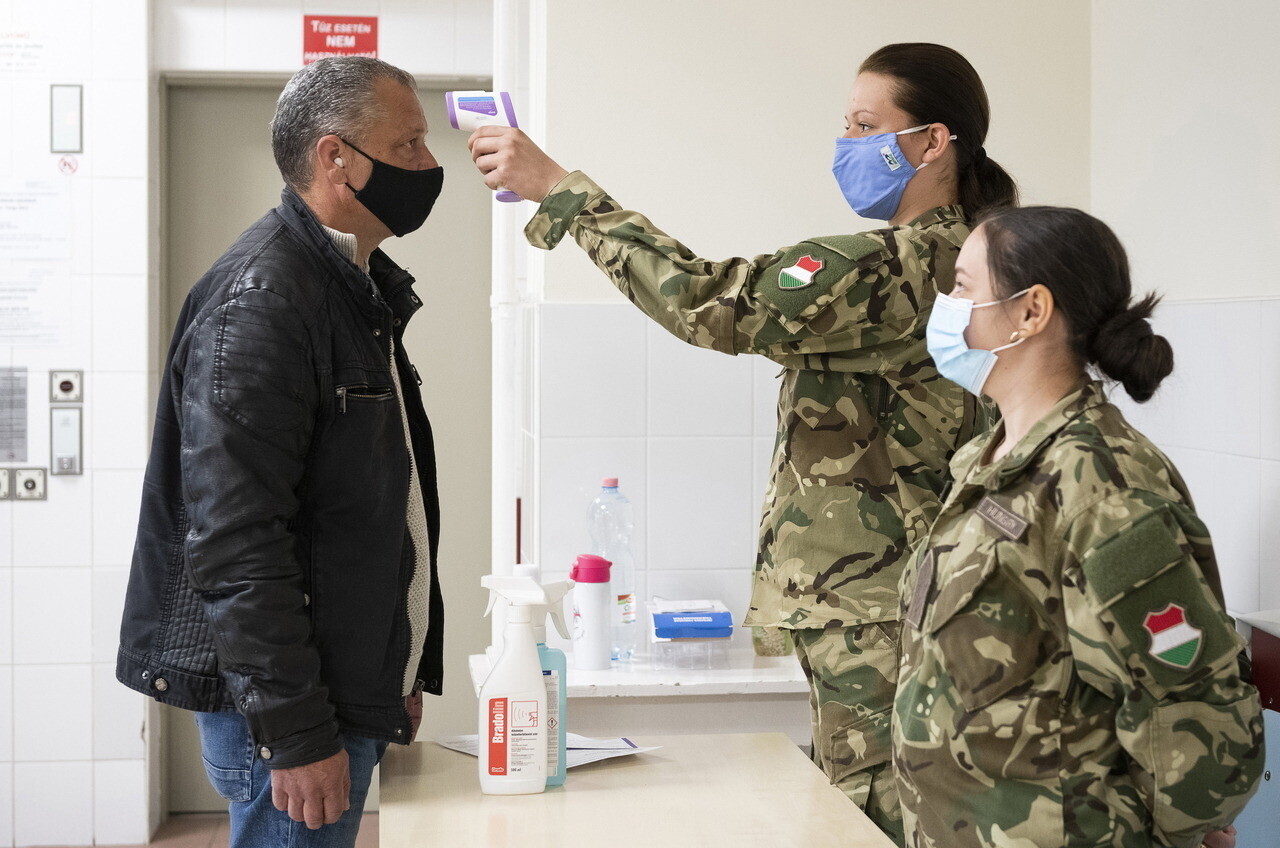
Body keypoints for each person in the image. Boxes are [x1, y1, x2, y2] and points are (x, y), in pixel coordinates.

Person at [468, 43, 1017, 842]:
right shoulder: (970, 258)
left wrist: (559, 190)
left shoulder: (899, 268)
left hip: (873, 608)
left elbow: (704, 301)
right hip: (899, 597)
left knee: (876, 817)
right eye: (845, 125)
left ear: (934, 142)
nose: (847, 144)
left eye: (867, 127)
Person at [116, 57, 446, 847]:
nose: (430, 165)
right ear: (337, 159)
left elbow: (363, 506)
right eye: (407, 145)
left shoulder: (350, 287)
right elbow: (236, 539)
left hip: (336, 688)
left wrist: (397, 669)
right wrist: (295, 731)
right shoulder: (265, 300)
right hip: (292, 712)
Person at [893, 205, 1263, 847]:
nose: (946, 307)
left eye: (962, 286)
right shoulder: (989, 458)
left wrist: (1181, 831)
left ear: (1030, 311)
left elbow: (1192, 702)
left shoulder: (1101, 485)